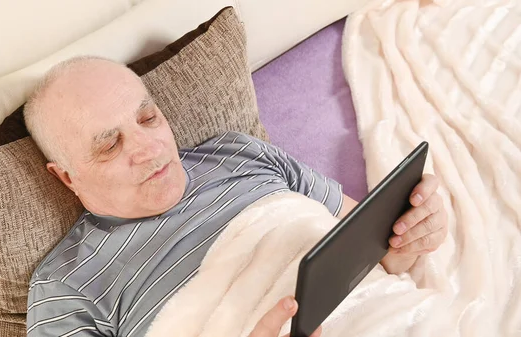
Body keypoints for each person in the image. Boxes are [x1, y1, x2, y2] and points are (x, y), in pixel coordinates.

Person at [24, 56, 448, 337]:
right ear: (66, 177)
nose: (148, 149)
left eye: (148, 117)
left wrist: (414, 231)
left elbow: (382, 257)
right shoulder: (64, 285)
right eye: (110, 145)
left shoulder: (238, 152)